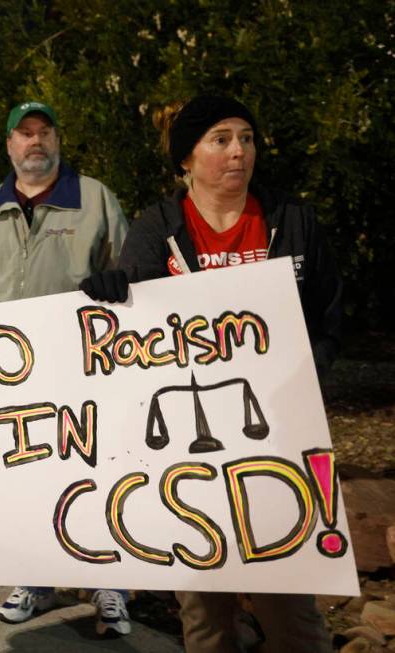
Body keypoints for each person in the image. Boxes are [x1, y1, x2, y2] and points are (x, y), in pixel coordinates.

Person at [82, 94, 340, 652]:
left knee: (291, 609)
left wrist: (307, 373)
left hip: (277, 441)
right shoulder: (158, 229)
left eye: (245, 138)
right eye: (219, 139)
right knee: (204, 614)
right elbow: (135, 330)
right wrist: (113, 293)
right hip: (188, 453)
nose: (238, 152)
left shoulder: (291, 220)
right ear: (186, 159)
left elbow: (328, 313)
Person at [0, 100, 133, 635]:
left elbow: (126, 270)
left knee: (97, 472)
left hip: (86, 368)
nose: (35, 141)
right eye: (23, 134)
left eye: (44, 132)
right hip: (11, 375)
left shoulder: (96, 198)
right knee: (26, 476)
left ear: (57, 141)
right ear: (9, 145)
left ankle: (112, 584)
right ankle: (36, 579)